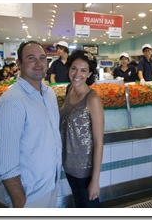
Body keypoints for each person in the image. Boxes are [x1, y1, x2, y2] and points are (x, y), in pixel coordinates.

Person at [0, 41, 62, 208]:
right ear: (19, 64)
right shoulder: (11, 103)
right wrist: (19, 201)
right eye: (31, 58)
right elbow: (6, 164)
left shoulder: (49, 94)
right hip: (30, 197)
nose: (39, 63)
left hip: (51, 186)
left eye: (42, 58)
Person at [60, 49, 104, 208]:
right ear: (68, 69)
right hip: (68, 163)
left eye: (83, 70)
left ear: (89, 73)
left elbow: (99, 143)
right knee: (79, 204)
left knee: (90, 207)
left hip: (85, 170)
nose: (77, 74)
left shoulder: (92, 98)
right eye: (74, 68)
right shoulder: (69, 89)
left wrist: (95, 180)